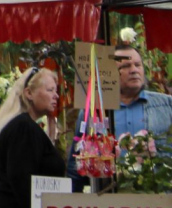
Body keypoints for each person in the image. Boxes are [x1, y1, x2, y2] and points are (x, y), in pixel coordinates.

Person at [0, 66, 68, 208]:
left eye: (56, 90)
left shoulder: (21, 125)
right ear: (29, 93)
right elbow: (22, 181)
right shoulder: (23, 127)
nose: (56, 95)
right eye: (50, 90)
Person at [69, 45, 172, 174]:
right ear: (110, 73)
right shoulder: (94, 112)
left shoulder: (167, 105)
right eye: (126, 66)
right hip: (110, 190)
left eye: (137, 65)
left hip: (157, 191)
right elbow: (76, 163)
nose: (134, 70)